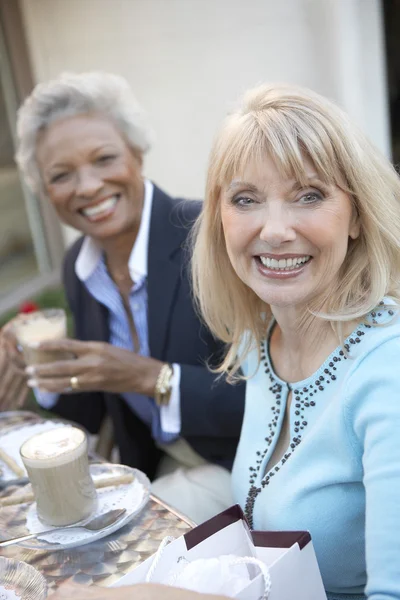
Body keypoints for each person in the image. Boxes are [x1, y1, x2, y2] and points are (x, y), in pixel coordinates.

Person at [189, 83, 400, 598]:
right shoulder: (258, 340)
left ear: (356, 215)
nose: (276, 230)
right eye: (246, 199)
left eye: (309, 195)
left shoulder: (388, 371)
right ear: (220, 218)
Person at [4, 71, 244, 521]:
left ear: (136, 153)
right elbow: (91, 412)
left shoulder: (208, 236)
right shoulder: (80, 267)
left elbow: (274, 399)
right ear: (44, 190)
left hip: (244, 462)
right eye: (61, 174)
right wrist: (41, 371)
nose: (88, 186)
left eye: (104, 158)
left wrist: (152, 378)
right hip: (161, 469)